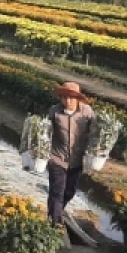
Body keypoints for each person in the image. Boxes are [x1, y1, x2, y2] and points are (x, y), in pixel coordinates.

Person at [46, 81, 95, 229]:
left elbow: (96, 131)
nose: (68, 101)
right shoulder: (54, 111)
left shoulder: (86, 112)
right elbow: (45, 132)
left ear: (78, 99)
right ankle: (56, 223)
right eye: (65, 97)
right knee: (57, 191)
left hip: (77, 160)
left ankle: (55, 212)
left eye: (71, 98)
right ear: (60, 98)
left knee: (69, 191)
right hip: (57, 158)